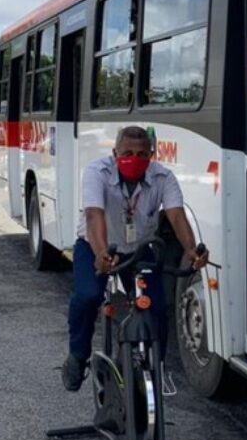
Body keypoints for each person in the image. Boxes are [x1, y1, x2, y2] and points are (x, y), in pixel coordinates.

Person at [63, 125, 209, 392]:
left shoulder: (163, 177)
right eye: (128, 152)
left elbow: (177, 215)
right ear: (114, 152)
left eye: (143, 154)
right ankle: (77, 355)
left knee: (156, 308)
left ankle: (157, 369)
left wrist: (190, 249)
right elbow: (94, 214)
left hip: (139, 248)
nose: (135, 158)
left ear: (152, 155)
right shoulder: (97, 173)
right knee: (88, 297)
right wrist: (100, 254)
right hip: (96, 246)